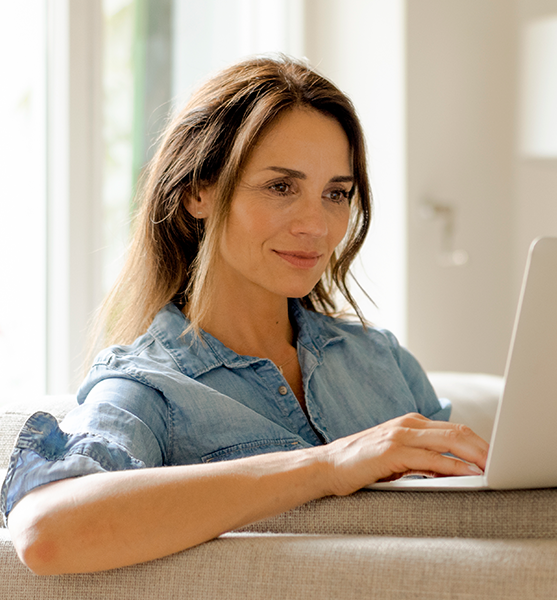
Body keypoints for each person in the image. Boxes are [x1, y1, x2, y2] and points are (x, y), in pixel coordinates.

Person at [2, 55, 488, 575]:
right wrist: (328, 465)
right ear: (197, 192)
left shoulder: (381, 358)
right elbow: (47, 533)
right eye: (281, 187)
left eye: (336, 194)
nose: (317, 226)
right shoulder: (151, 386)